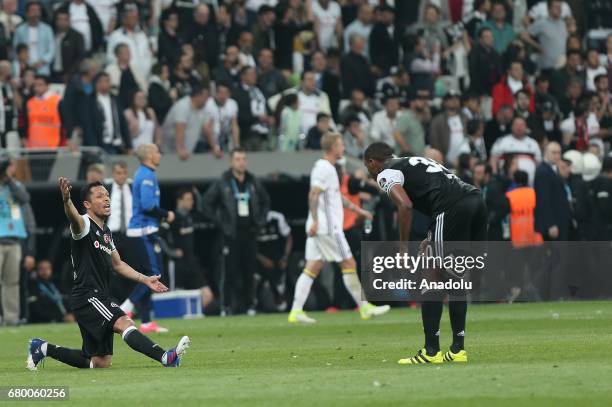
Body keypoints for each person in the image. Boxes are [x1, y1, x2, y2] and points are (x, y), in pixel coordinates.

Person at [26, 178, 189, 371]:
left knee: (100, 362)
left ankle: (42, 348)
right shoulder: (84, 224)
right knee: (124, 322)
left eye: (107, 195)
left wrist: (145, 279)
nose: (106, 199)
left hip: (98, 295)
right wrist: (67, 201)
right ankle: (165, 357)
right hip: (88, 296)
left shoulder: (106, 232)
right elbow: (74, 218)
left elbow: (118, 264)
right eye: (100, 196)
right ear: (87, 204)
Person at [363, 141, 487, 364]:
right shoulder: (416, 162)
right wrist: (431, 234)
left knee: (432, 277)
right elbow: (437, 192)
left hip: (452, 209)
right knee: (455, 279)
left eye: (367, 168)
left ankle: (431, 352)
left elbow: (405, 206)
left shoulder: (386, 172)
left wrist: (402, 247)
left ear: (373, 163)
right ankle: (458, 350)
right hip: (475, 202)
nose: (370, 174)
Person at [288, 133, 389, 324]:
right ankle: (365, 307)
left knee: (312, 267)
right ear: (333, 147)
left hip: (322, 227)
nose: (343, 148)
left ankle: (295, 311)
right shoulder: (324, 168)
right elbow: (313, 195)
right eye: (341, 144)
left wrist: (359, 210)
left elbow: (336, 198)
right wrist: (317, 221)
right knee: (349, 264)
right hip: (328, 228)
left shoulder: (330, 169)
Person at [201, 148, 270, 315]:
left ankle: (250, 305)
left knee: (249, 271)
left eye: (244, 159)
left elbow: (265, 200)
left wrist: (259, 221)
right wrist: (221, 222)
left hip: (250, 233)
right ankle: (226, 306)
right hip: (230, 234)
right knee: (228, 272)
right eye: (238, 159)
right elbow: (206, 203)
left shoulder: (253, 181)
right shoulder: (223, 181)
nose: (242, 162)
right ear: (231, 162)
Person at [121, 144, 175, 334]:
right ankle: (124, 309)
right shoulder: (146, 176)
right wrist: (166, 214)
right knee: (154, 274)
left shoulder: (144, 173)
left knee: (147, 275)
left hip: (143, 231)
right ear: (150, 155)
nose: (160, 154)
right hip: (143, 232)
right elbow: (147, 205)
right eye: (158, 151)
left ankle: (145, 322)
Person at [0, 157, 30, 326]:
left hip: (13, 240)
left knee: (12, 282)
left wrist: (9, 180)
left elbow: (24, 198)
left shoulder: (15, 186)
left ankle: (11, 318)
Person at [161, 85, 217, 160]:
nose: (208, 100)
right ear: (198, 96)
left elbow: (207, 129)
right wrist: (180, 149)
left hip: (188, 152)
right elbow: (179, 129)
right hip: (170, 152)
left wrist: (215, 148)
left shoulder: (204, 108)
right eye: (206, 97)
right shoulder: (182, 106)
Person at [534, 141, 571, 241]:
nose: (557, 155)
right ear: (546, 153)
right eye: (553, 152)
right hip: (553, 223)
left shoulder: (554, 169)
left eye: (559, 153)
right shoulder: (543, 172)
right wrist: (550, 224)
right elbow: (543, 200)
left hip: (559, 219)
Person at [12, 1, 55, 75]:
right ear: (27, 13)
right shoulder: (20, 30)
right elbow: (16, 48)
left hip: (43, 67)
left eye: (38, 10)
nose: (36, 13)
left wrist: (42, 61)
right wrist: (24, 62)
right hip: (25, 67)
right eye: (33, 10)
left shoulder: (47, 29)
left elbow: (52, 49)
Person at [25, 75, 61, 148]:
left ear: (48, 86)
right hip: (33, 145)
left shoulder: (57, 101)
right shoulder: (30, 102)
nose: (36, 88)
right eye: (35, 85)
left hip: (52, 145)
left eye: (40, 85)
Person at [51, 9, 85, 83]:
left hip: (70, 75)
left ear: (69, 21)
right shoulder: (51, 34)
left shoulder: (77, 36)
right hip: (52, 73)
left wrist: (69, 73)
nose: (62, 22)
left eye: (65, 20)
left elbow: (80, 57)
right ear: (56, 21)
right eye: (60, 19)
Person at [204, 82, 240, 151]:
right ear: (215, 93)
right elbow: (207, 128)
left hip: (223, 138)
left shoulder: (232, 104)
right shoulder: (208, 104)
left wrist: (236, 145)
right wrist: (214, 147)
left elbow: (234, 125)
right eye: (220, 93)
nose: (222, 96)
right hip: (207, 139)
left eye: (225, 93)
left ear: (229, 94)